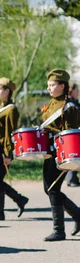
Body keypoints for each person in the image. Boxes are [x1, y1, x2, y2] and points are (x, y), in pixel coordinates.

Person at [41, 69, 80, 241]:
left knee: (53, 189)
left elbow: (71, 134)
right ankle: (78, 216)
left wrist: (67, 159)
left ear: (62, 86)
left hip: (60, 153)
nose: (49, 88)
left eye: (52, 85)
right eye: (48, 85)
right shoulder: (50, 104)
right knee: (49, 188)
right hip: (48, 153)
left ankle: (59, 230)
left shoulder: (69, 107)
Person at [0, 78, 29, 221]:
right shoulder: (1, 107)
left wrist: (8, 153)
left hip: (3, 148)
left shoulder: (11, 109)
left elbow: (10, 133)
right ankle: (19, 199)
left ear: (7, 91)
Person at [66, 82, 80, 187]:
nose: (78, 92)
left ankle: (73, 178)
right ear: (72, 90)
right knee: (73, 156)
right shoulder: (70, 103)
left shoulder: (75, 102)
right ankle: (71, 179)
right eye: (77, 90)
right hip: (72, 133)